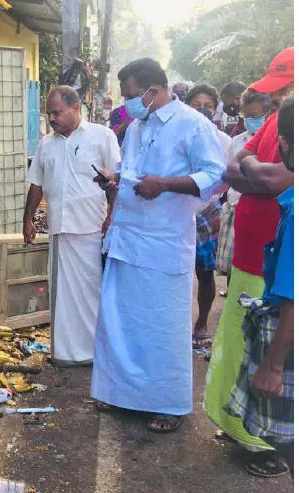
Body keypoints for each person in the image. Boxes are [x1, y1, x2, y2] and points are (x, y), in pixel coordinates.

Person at [90, 58, 225, 433]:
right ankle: (124, 395)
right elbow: (134, 175)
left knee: (162, 328)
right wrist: (115, 181)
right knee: (124, 323)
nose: (128, 102)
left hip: (164, 244)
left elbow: (215, 175)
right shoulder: (136, 127)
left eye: (132, 95)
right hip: (128, 238)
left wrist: (165, 184)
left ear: (153, 90)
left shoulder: (192, 124)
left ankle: (168, 404)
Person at [204, 47, 294, 454]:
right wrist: (264, 174)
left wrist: (255, 172)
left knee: (276, 357)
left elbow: (272, 177)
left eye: (284, 90)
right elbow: (232, 170)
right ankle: (242, 426)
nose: (276, 100)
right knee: (241, 346)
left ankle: (269, 446)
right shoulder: (277, 121)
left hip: (279, 267)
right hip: (252, 256)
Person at [23, 86, 120, 367]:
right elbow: (37, 184)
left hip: (90, 229)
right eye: (49, 113)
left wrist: (112, 214)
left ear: (76, 108)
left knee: (90, 294)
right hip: (59, 230)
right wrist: (27, 219)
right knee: (61, 296)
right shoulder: (46, 144)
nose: (52, 118)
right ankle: (63, 354)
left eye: (57, 112)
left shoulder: (102, 137)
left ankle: (91, 353)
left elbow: (116, 180)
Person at [226, 96, 293, 477]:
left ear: (282, 143)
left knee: (287, 429)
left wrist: (274, 364)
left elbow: (293, 299)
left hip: (285, 332)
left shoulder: (294, 209)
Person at [184, 83, 233, 349]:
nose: (202, 110)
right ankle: (176, 323)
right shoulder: (180, 134)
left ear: (216, 110)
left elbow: (226, 178)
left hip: (208, 211)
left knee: (205, 272)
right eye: (196, 105)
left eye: (208, 106)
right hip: (178, 211)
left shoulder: (223, 140)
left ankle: (201, 322)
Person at [216, 89, 272, 295]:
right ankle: (233, 294)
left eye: (256, 116)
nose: (250, 120)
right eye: (246, 116)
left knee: (259, 266)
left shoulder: (277, 142)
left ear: (268, 114)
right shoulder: (237, 142)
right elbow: (230, 174)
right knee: (235, 263)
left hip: (262, 212)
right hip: (236, 207)